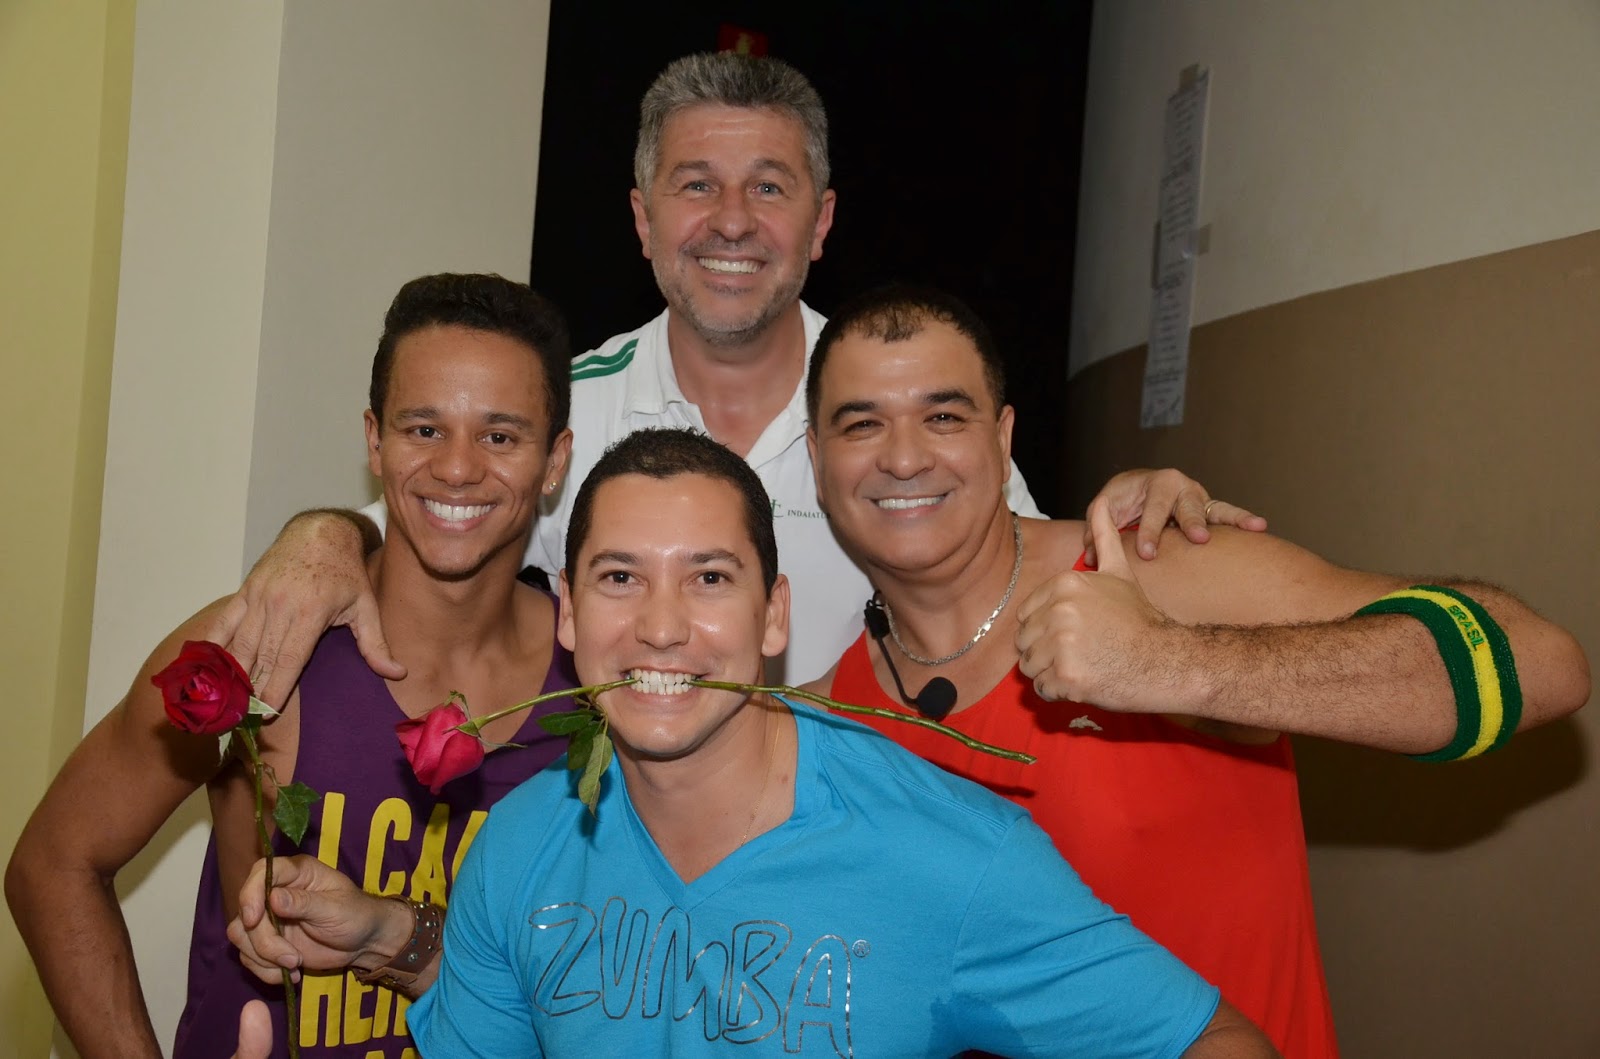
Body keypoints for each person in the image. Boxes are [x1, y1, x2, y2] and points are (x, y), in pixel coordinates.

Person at [211, 50, 1257, 703]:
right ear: (641, 218)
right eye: (695, 185)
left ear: (821, 221)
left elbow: (1037, 582)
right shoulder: (561, 409)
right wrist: (323, 537)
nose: (730, 222)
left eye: (768, 187)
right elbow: (418, 523)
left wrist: (1141, 520)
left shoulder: (903, 416)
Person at [230, 427, 1278, 1057]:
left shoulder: (946, 853)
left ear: (774, 615)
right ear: (570, 617)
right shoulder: (517, 846)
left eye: (710, 578)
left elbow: (1213, 1041)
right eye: (619, 577)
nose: (662, 626)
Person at [801, 284, 1592, 1058]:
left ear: (1003, 440)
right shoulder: (825, 719)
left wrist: (1170, 661)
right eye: (862, 423)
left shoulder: (1153, 570)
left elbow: (1543, 664)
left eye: (944, 416)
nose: (904, 457)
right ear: (815, 457)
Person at [5, 274, 582, 1058]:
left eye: (501, 436)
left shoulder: (595, 684)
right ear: (374, 440)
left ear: (555, 460)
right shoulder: (262, 646)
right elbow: (53, 863)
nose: (457, 467)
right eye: (423, 428)